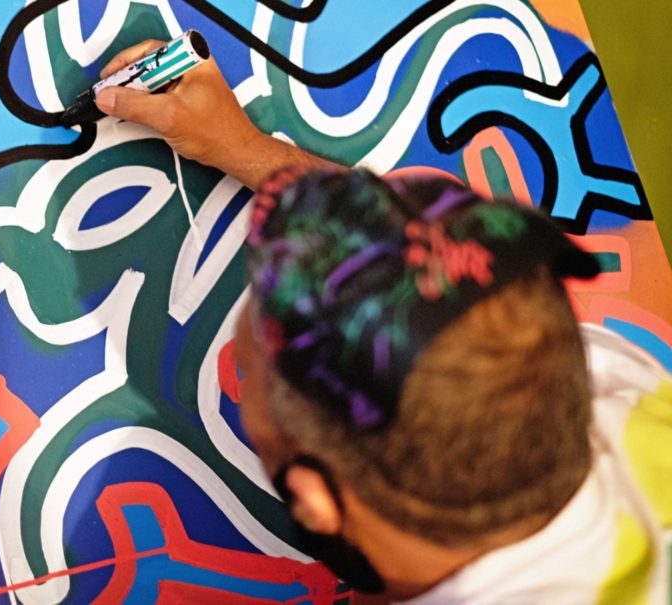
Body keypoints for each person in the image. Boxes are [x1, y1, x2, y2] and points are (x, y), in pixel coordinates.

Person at [94, 40, 672, 603]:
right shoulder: (617, 386)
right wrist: (243, 147)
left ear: (316, 502)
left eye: (245, 372)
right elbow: (418, 278)